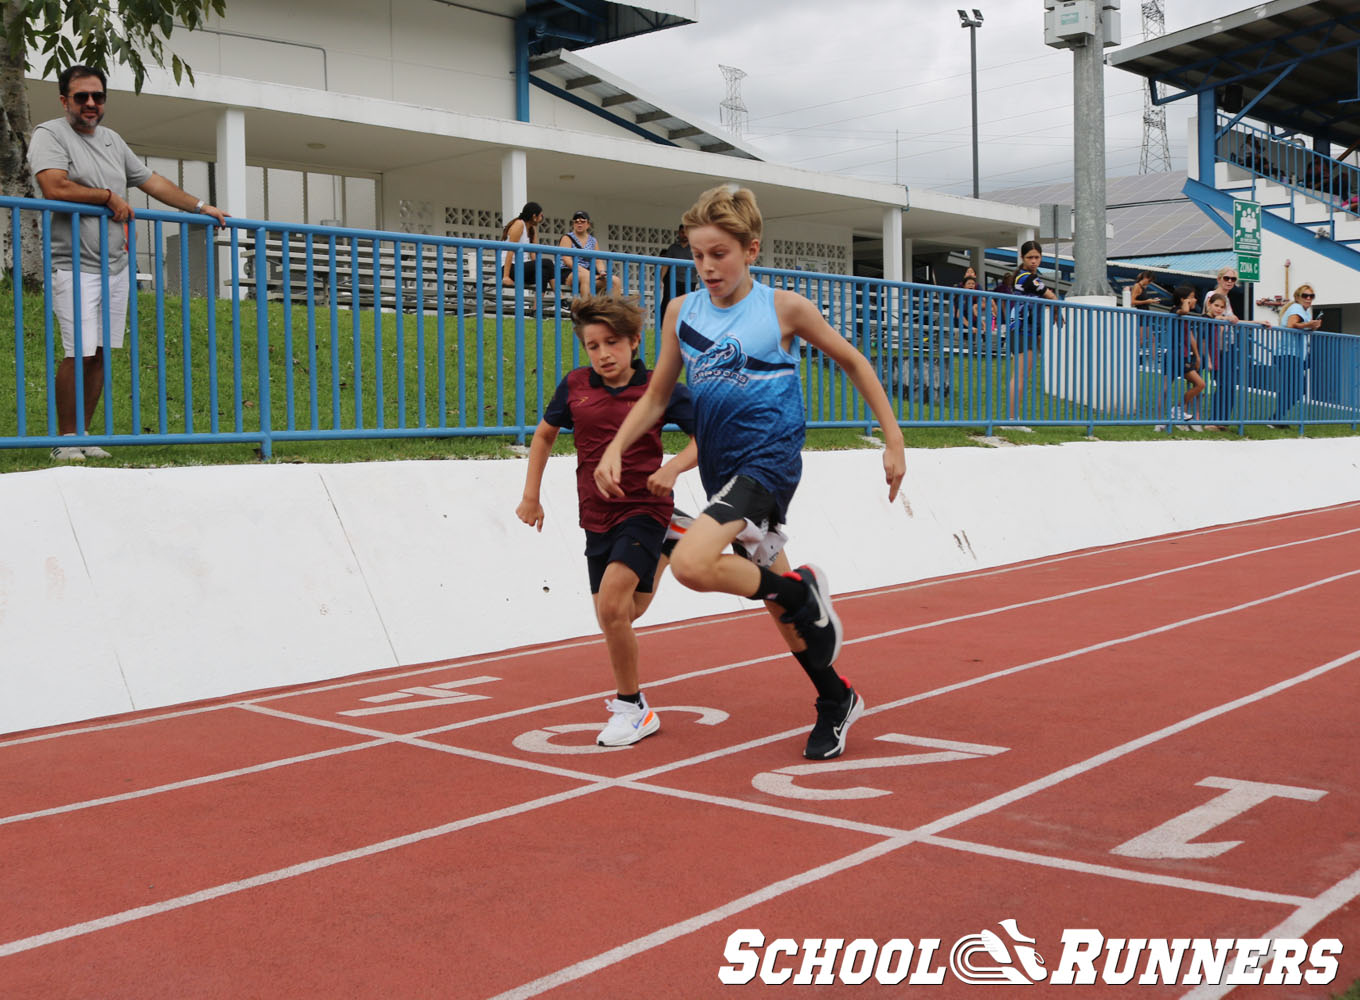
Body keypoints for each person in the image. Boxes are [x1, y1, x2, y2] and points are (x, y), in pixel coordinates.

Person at [593, 184, 906, 761]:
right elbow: (658, 395)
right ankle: (835, 696)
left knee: (689, 562)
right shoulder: (681, 313)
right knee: (785, 614)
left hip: (769, 462)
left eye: (719, 254)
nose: (707, 267)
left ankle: (798, 590)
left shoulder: (783, 308)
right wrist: (617, 445)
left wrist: (893, 439)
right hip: (721, 473)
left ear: (751, 250)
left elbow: (854, 361)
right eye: (697, 255)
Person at [516, 294, 697, 746]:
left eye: (612, 343)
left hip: (644, 506)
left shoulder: (660, 389)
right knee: (618, 613)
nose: (603, 355)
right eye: (593, 346)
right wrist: (530, 497)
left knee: (614, 606)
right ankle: (671, 545)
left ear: (635, 341)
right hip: (595, 513)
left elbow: (707, 439)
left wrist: (672, 468)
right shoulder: (575, 385)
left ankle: (632, 706)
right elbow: (543, 437)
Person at [28, 64, 229, 462]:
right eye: (82, 96)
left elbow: (151, 181)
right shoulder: (50, 134)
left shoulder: (112, 141)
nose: (90, 103)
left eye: (97, 97)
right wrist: (107, 197)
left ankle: (84, 436)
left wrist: (202, 206)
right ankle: (64, 440)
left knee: (100, 352)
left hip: (115, 267)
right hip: (73, 265)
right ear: (65, 99)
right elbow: (53, 185)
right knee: (78, 352)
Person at [1005, 241, 1057, 430]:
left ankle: (1013, 418)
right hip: (1021, 330)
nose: (1034, 261)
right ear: (1022, 258)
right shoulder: (1027, 278)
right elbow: (1050, 296)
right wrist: (1057, 307)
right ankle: (1011, 420)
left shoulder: (1031, 277)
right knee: (1019, 376)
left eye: (1037, 257)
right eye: (1030, 257)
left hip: (1028, 331)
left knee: (1022, 376)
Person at [1272, 284, 1322, 427]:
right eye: (1305, 295)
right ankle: (1275, 419)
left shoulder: (1305, 311)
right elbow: (1291, 324)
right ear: (1297, 297)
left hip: (1295, 355)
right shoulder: (1297, 308)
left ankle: (1276, 418)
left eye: (1311, 296)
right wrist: (1309, 325)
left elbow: (1301, 327)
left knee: (1296, 389)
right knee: (1294, 388)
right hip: (1287, 354)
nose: (1308, 298)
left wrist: (1312, 326)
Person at [500, 201, 566, 289]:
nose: (542, 218)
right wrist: (505, 276)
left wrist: (538, 266)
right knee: (548, 262)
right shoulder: (519, 224)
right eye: (541, 215)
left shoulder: (532, 229)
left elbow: (533, 253)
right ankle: (560, 297)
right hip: (510, 268)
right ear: (534, 216)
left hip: (522, 268)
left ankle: (538, 303)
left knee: (544, 272)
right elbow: (510, 251)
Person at [558, 211, 622, 297]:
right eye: (576, 222)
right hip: (570, 272)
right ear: (573, 224)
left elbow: (598, 261)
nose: (579, 224)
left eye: (582, 222)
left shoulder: (593, 240)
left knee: (615, 281)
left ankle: (612, 309)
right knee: (586, 277)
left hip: (589, 273)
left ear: (588, 224)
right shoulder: (567, 238)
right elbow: (567, 260)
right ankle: (587, 308)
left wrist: (602, 271)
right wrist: (586, 273)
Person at [656, 225, 692, 319]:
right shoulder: (673, 248)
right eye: (682, 232)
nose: (684, 235)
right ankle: (663, 326)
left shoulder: (694, 248)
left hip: (690, 281)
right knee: (669, 303)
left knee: (686, 306)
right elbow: (666, 264)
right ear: (679, 233)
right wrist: (660, 279)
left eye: (686, 232)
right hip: (674, 281)